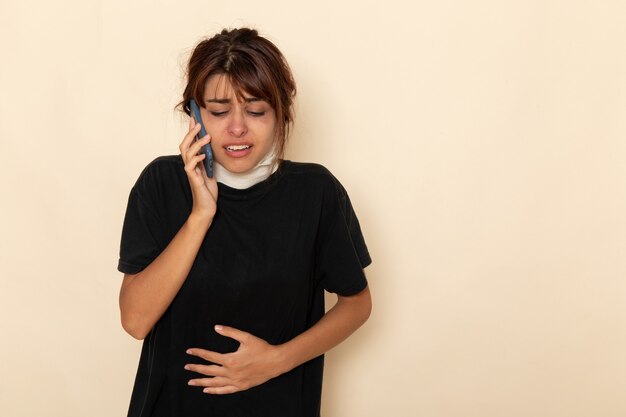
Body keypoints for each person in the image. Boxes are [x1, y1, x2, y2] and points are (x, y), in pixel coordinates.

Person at [117, 27, 372, 417]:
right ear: (194, 114)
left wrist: (276, 361)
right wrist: (201, 215)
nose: (237, 128)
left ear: (280, 114)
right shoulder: (160, 184)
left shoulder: (317, 192)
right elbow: (135, 321)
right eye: (218, 112)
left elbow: (357, 304)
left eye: (255, 111)